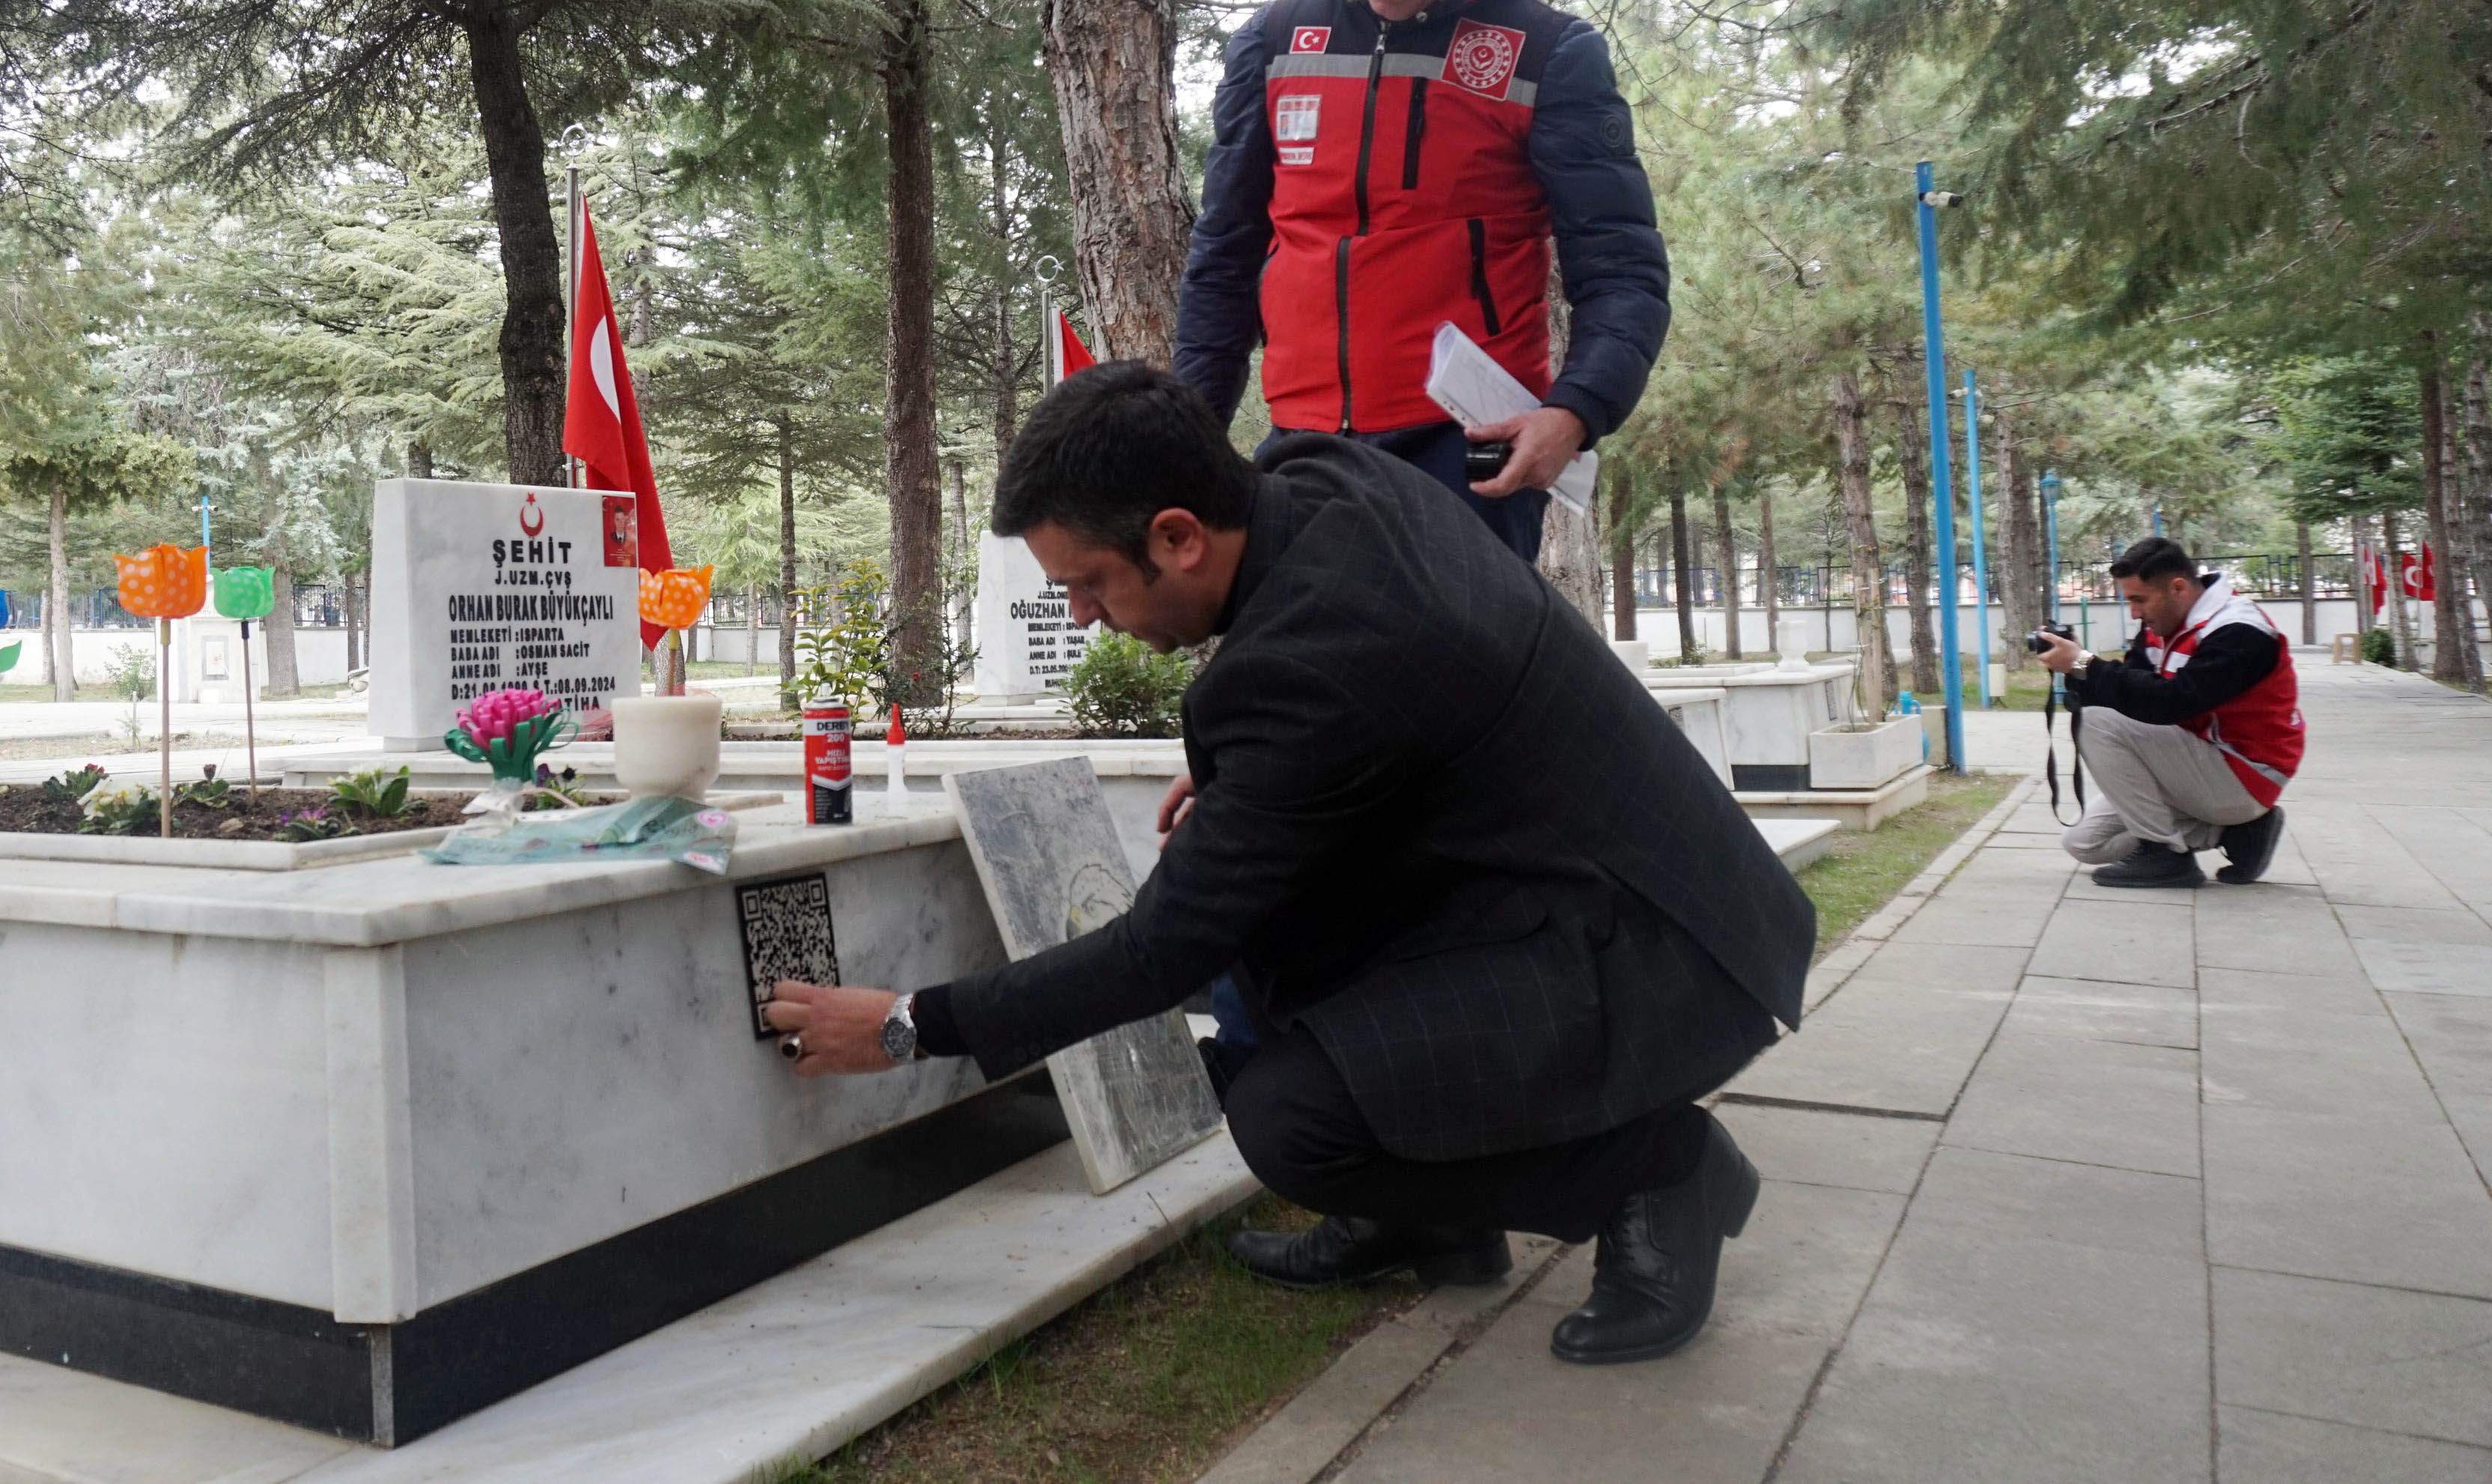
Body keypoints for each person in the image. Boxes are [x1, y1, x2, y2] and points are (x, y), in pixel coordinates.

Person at [765, 364, 1813, 1365]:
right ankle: (1429, 1218)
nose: (1080, 615)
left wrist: (909, 1024)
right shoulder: (1313, 476)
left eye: (1088, 584)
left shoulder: (1315, 663)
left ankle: (1659, 1173)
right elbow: (1385, 696)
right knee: (1290, 957)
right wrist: (1249, 777)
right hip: (1595, 880)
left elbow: (1159, 952)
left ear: (1177, 537)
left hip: (1651, 945)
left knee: (1292, 1121)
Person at [1173, 0, 1670, 563]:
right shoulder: (1272, 42)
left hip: (1467, 454)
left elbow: (1623, 270)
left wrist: (1574, 412)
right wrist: (1188, 438)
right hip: (1303, 444)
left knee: (1455, 651)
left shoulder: (1547, 53)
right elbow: (1224, 256)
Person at [2031, 538, 2299, 889]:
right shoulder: (2165, 624)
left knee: (2096, 724)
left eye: (2139, 600)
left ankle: (2164, 853)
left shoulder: (2240, 630)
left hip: (2246, 773)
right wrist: (2076, 669)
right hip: (2196, 763)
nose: (2134, 613)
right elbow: (2131, 695)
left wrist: (2086, 665)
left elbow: (2173, 702)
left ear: (2178, 588)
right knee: (2084, 844)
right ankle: (2237, 833)